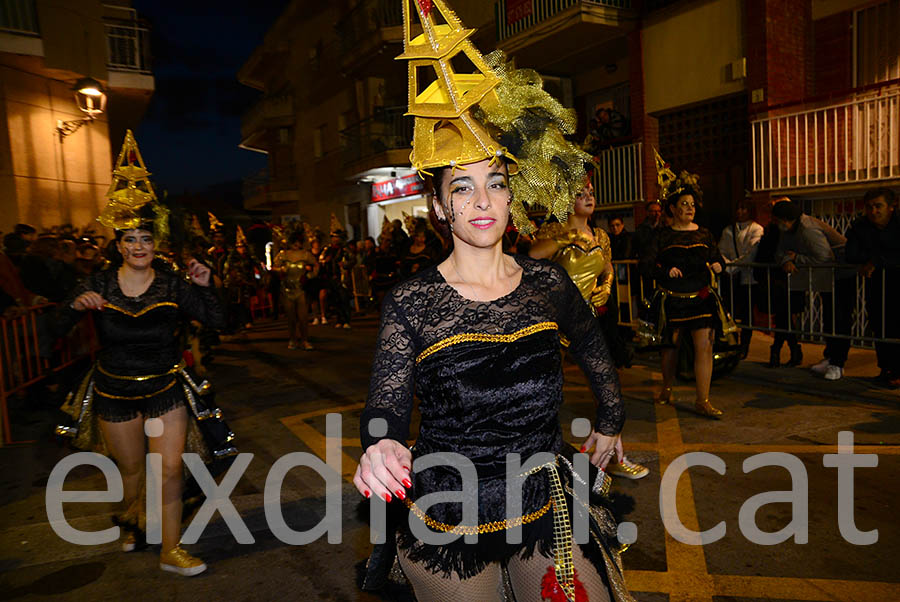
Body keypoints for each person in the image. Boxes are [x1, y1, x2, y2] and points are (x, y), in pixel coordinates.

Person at [355, 10, 632, 600]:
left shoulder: (548, 283)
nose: (483, 199)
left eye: (497, 182)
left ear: (512, 196)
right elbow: (387, 401)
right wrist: (379, 443)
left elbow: (590, 343)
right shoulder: (412, 302)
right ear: (439, 206)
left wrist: (610, 419)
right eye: (462, 185)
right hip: (447, 515)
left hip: (546, 502)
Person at [53, 131, 226, 576]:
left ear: (155, 243)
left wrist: (207, 285)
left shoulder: (172, 284)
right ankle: (132, 520)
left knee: (167, 470)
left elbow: (219, 321)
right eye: (129, 239)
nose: (137, 247)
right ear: (118, 244)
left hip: (165, 386)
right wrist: (74, 307)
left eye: (145, 239)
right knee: (130, 471)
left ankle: (171, 549)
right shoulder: (98, 285)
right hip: (113, 389)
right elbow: (52, 328)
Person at [531, 181, 647, 480]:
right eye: (580, 193)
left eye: (592, 193)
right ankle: (537, 462)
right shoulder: (553, 232)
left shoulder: (600, 235)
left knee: (608, 393)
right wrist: (565, 239)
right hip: (552, 323)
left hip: (587, 322)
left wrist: (607, 285)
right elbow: (532, 259)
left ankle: (613, 457)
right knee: (542, 391)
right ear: (566, 199)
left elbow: (606, 266)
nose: (588, 197)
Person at [643, 179, 733, 417]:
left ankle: (703, 399)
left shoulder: (704, 233)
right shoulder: (663, 236)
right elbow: (646, 264)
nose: (690, 208)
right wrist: (665, 271)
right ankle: (667, 388)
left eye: (692, 204)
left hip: (701, 297)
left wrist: (717, 264)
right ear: (672, 209)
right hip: (673, 298)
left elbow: (717, 258)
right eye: (684, 204)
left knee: (704, 346)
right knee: (670, 346)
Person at [771, 200, 850, 380]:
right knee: (829, 317)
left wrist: (797, 258)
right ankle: (830, 357)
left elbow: (824, 258)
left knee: (839, 318)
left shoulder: (808, 229)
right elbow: (780, 251)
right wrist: (786, 260)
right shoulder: (788, 231)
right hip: (825, 277)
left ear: (787, 220)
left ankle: (837, 363)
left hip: (840, 275)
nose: (776, 224)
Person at [845, 187, 900, 387]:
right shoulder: (860, 226)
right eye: (869, 207)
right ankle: (886, 368)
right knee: (879, 325)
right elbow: (851, 254)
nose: (874, 211)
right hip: (876, 284)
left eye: (879, 206)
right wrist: (871, 261)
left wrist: (877, 260)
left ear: (891, 207)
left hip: (896, 282)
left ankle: (897, 370)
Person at [718, 199, 763, 359]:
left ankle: (744, 345)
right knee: (729, 311)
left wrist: (732, 267)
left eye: (743, 208)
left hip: (748, 278)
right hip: (731, 278)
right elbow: (721, 250)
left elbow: (751, 253)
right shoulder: (728, 230)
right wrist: (728, 265)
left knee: (747, 314)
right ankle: (731, 342)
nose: (740, 212)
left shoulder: (756, 229)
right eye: (738, 208)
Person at [274, 230, 316, 350]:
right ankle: (292, 339)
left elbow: (316, 266)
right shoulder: (283, 255)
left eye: (298, 242)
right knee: (291, 317)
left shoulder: (306, 255)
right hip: (287, 289)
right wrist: (281, 270)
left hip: (300, 289)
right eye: (294, 242)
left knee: (303, 317)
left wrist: (308, 276)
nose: (296, 244)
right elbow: (273, 268)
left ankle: (305, 340)